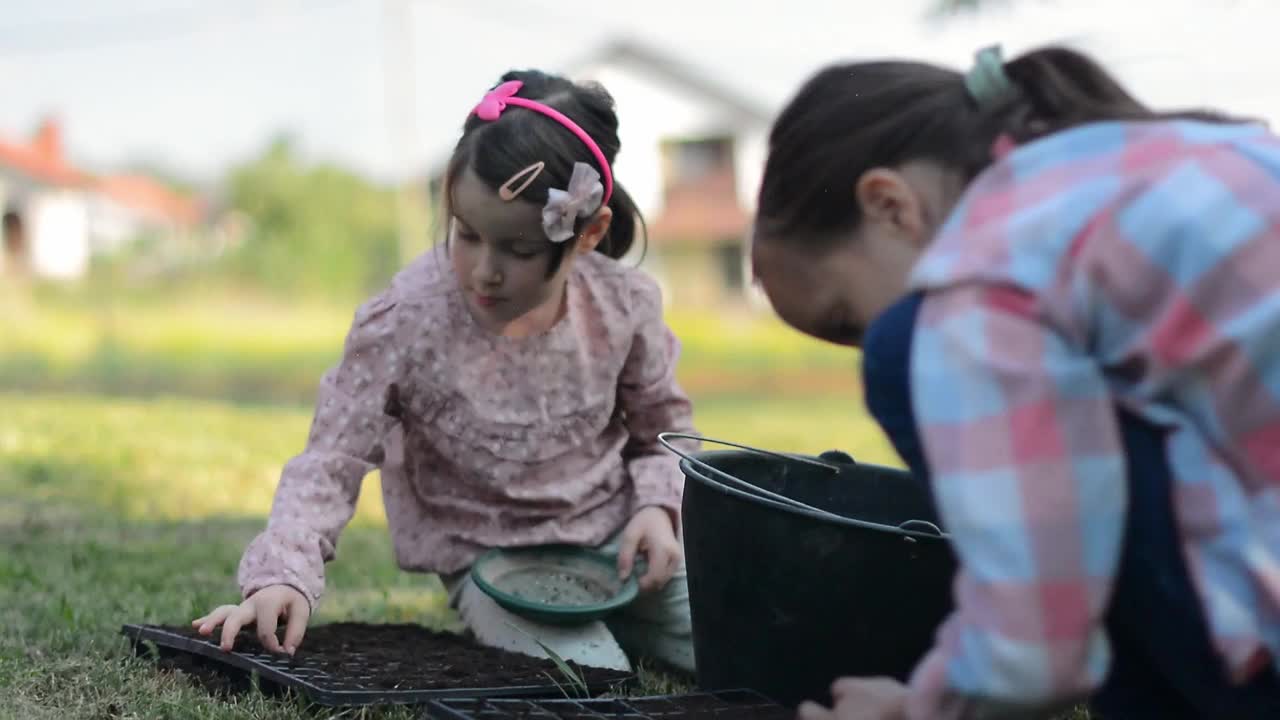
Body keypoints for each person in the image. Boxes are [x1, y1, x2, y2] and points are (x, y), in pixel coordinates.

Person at [749, 44, 1280, 719]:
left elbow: (1036, 652)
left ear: (889, 206)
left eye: (847, 319)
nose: (863, 349)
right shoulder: (1172, 153)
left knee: (903, 348)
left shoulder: (988, 271)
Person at [191, 69, 698, 675]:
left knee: (739, 641)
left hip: (620, 545)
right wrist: (284, 579)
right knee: (588, 677)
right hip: (493, 563)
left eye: (517, 250)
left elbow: (663, 429)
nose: (485, 270)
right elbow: (332, 458)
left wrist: (657, 511)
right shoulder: (405, 320)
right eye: (467, 235)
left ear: (587, 232)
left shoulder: (623, 307)